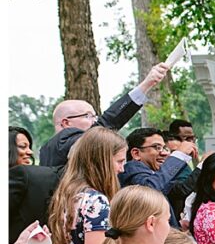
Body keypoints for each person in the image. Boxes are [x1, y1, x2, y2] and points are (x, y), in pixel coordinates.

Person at [39, 62, 169, 168]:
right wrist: (146, 84)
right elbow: (107, 122)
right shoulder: (63, 143)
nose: (94, 121)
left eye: (95, 117)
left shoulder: (46, 150)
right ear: (66, 123)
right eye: (88, 116)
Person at [119, 127, 196, 228]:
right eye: (157, 147)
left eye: (164, 148)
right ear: (136, 153)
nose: (165, 153)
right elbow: (149, 190)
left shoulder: (154, 174)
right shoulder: (132, 169)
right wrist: (179, 155)